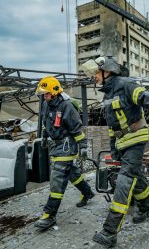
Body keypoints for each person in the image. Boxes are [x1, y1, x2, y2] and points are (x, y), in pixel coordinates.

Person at [80, 56, 149, 247]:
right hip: (122, 144)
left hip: (136, 139)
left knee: (124, 180)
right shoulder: (108, 94)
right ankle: (146, 207)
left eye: (95, 72)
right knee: (134, 176)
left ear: (107, 71)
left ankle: (110, 232)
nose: (93, 77)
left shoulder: (126, 84)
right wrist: (114, 148)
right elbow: (112, 126)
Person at [34, 76, 94, 230]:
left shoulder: (66, 106)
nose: (44, 96)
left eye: (46, 93)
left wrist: (83, 146)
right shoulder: (47, 105)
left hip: (67, 146)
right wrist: (45, 137)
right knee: (71, 173)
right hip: (56, 146)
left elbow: (76, 128)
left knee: (57, 177)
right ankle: (87, 192)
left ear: (54, 92)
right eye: (42, 94)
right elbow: (46, 124)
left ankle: (49, 215)